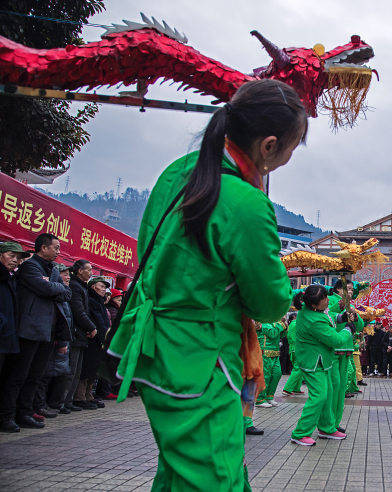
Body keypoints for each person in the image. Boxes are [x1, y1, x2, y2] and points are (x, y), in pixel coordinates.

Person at [108, 79, 306, 490]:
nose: (290, 156)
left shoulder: (177, 173)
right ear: (269, 145)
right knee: (213, 478)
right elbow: (269, 303)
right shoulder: (245, 202)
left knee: (182, 472)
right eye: (293, 146)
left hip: (155, 347)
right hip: (200, 360)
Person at [0, 233, 71, 433]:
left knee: (35, 376)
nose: (58, 251)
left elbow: (66, 293)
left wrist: (53, 285)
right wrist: (53, 287)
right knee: (19, 375)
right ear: (43, 247)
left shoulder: (52, 270)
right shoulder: (30, 267)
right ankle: (8, 415)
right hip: (29, 329)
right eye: (55, 247)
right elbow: (45, 288)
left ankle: (25, 412)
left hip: (48, 331)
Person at [290, 286, 353, 446]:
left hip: (321, 360)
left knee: (328, 394)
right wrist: (348, 330)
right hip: (313, 361)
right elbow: (335, 340)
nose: (327, 301)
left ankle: (326, 428)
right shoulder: (314, 320)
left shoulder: (311, 310)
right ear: (314, 305)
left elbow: (329, 315)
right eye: (324, 299)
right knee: (319, 396)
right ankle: (300, 433)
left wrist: (341, 317)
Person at [34, 263, 73, 418]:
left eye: (68, 274)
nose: (67, 277)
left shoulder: (63, 292)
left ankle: (49, 404)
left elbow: (66, 301)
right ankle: (39, 405)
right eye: (64, 274)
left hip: (58, 337)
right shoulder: (51, 290)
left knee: (56, 373)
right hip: (48, 336)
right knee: (43, 374)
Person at [61, 260, 98, 412]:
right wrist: (91, 326)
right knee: (70, 371)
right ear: (79, 271)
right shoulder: (76, 287)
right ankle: (62, 401)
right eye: (88, 269)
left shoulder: (82, 287)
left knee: (76, 371)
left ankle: (69, 400)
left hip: (82, 335)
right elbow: (78, 311)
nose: (91, 272)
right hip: (75, 334)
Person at [327, 279, 363, 428]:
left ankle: (335, 422)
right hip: (333, 349)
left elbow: (360, 325)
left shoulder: (351, 306)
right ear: (337, 289)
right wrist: (341, 305)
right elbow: (327, 316)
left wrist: (354, 313)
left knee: (341, 388)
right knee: (332, 386)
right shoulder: (329, 301)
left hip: (347, 349)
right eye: (347, 288)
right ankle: (327, 423)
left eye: (351, 289)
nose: (350, 292)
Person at [76, 276, 110, 409]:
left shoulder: (100, 302)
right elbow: (96, 321)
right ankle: (80, 397)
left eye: (104, 287)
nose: (103, 289)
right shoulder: (91, 300)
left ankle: (89, 395)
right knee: (87, 369)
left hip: (100, 340)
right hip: (92, 338)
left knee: (94, 370)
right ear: (93, 286)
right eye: (101, 286)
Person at [0, 242, 29, 376]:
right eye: (11, 255)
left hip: (8, 337)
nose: (15, 260)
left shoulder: (12, 279)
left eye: (18, 258)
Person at [256, 319, 286, 407]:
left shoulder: (275, 322)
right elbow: (272, 333)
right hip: (264, 352)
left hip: (275, 352)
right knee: (265, 376)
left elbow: (282, 334)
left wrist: (284, 327)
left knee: (277, 374)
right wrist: (281, 324)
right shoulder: (261, 321)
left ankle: (269, 397)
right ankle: (260, 399)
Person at [282, 312, 304, 396]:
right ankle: (287, 388)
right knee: (298, 368)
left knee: (298, 368)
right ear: (295, 317)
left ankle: (296, 388)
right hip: (298, 348)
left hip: (293, 349)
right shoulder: (297, 324)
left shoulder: (291, 325)